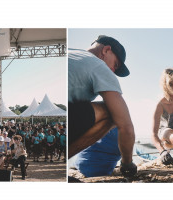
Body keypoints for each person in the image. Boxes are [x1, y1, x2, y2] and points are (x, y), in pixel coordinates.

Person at [68, 35, 137, 177]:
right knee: (113, 113)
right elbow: (127, 127)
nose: (112, 71)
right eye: (115, 65)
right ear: (106, 50)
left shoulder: (70, 51)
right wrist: (127, 164)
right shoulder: (99, 66)